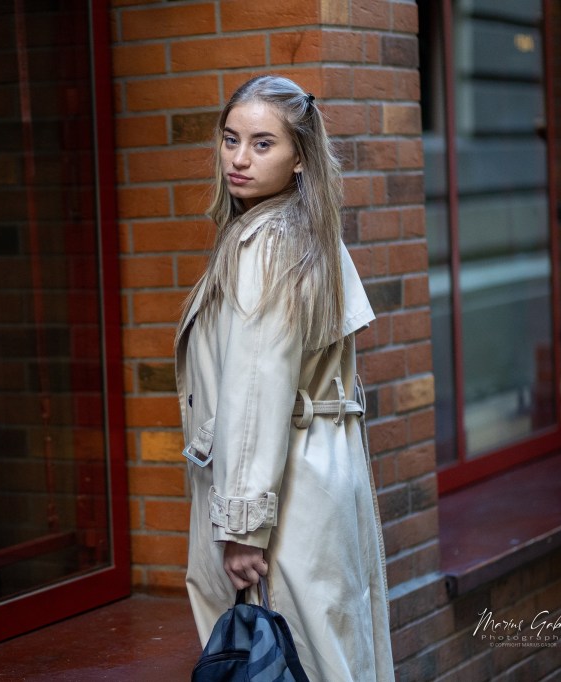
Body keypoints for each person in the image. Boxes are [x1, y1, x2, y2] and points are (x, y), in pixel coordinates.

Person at [175, 75, 395, 680]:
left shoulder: (266, 243)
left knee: (286, 661)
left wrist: (243, 526)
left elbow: (257, 387)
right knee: (333, 654)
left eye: (262, 143)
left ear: (300, 157)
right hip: (321, 477)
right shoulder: (309, 232)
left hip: (284, 493)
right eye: (230, 139)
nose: (239, 159)